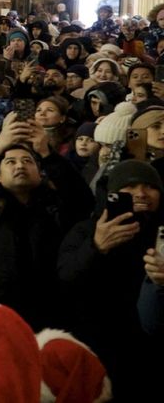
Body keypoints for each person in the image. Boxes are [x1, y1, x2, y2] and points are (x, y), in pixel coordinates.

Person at [0, 112, 92, 328]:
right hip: (0, 312)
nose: (19, 166)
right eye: (10, 162)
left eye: (27, 161)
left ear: (40, 173)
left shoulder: (55, 205)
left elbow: (82, 202)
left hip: (53, 312)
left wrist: (46, 153)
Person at [57, 159, 163, 397]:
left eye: (150, 186)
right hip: (98, 347)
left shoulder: (162, 232)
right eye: (130, 187)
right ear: (113, 193)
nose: (141, 193)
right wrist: (95, 247)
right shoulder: (86, 229)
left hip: (151, 351)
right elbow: (66, 279)